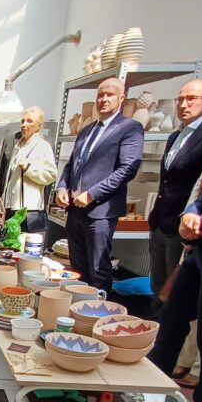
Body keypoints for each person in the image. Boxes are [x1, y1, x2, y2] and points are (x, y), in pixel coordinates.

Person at [149, 130, 202, 402]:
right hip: (200, 249)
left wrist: (201, 223)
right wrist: (190, 213)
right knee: (172, 317)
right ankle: (151, 383)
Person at [55, 78, 143, 294]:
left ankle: (98, 311)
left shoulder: (130, 128)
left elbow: (128, 168)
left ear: (121, 98)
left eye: (109, 95)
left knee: (98, 269)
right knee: (78, 270)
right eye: (100, 95)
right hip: (75, 211)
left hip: (100, 212)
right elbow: (71, 166)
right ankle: (78, 308)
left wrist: (92, 194)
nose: (103, 99)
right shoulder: (86, 131)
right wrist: (61, 188)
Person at [148, 80, 202, 306]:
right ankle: (151, 325)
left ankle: (163, 327)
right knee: (157, 287)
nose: (183, 104)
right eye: (180, 99)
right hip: (160, 221)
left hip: (183, 226)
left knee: (174, 295)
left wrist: (194, 219)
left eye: (191, 99)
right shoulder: (175, 135)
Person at [2, 106, 56, 233]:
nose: (24, 125)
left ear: (39, 126)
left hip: (29, 211)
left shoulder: (43, 146)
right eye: (23, 121)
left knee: (26, 243)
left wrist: (28, 168)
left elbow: (51, 175)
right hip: (11, 207)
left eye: (29, 121)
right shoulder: (17, 146)